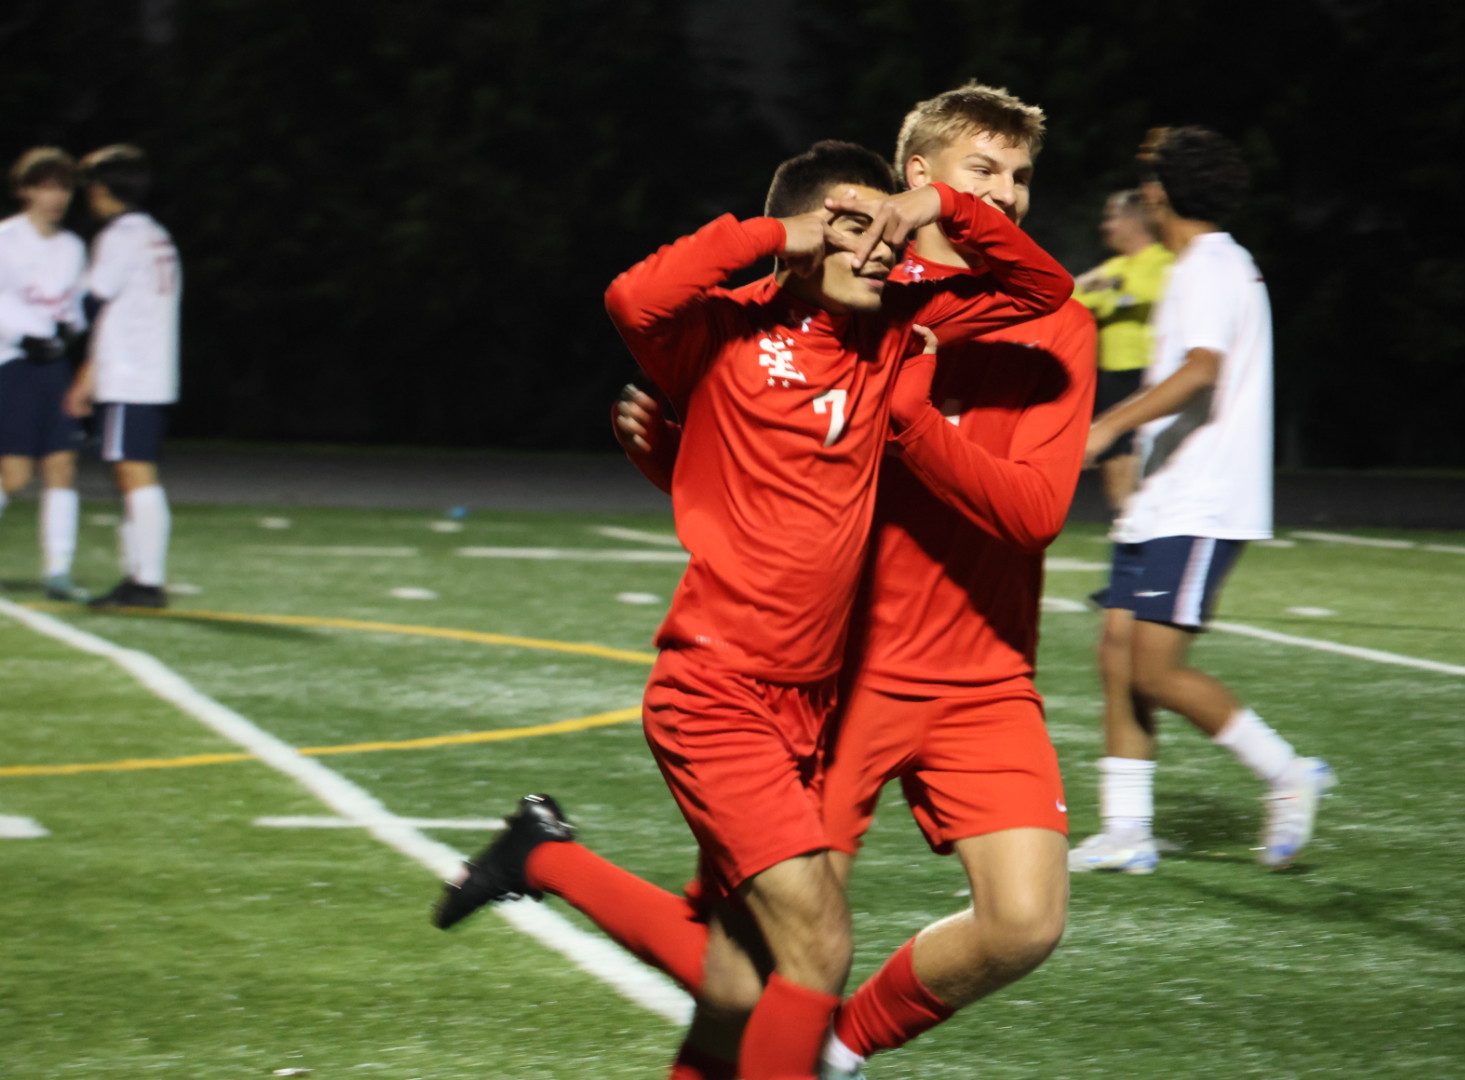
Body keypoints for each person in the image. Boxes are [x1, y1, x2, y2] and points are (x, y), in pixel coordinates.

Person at [433, 138, 1072, 1080]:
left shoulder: (896, 323)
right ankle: (541, 858)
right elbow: (632, 298)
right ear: (809, 233)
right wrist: (783, 231)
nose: (878, 252)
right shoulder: (725, 329)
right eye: (856, 228)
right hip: (717, 690)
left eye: (884, 235)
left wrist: (925, 212)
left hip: (809, 708)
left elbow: (1041, 289)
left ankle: (543, 856)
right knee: (818, 948)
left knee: (737, 983)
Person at [616, 83, 1097, 1079]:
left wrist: (914, 423)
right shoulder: (866, 296)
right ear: (915, 176)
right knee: (757, 970)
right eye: (983, 172)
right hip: (849, 677)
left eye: (1020, 179)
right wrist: (682, 456)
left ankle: (834, 1048)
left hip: (980, 675)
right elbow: (799, 475)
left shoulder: (1048, 324)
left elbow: (1034, 513)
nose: (1007, 194)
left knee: (1025, 923)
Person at [1069, 126, 1334, 876]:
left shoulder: (1210, 266)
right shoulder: (1200, 266)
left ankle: (1288, 773)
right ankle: (1127, 831)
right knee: (1117, 654)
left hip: (1200, 503)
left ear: (1160, 193)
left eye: (1146, 180)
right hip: (1165, 498)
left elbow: (1201, 370)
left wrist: (1109, 427)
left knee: (1153, 668)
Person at [64, 145, 182, 610]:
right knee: (131, 470)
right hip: (150, 370)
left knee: (134, 472)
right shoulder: (155, 234)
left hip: (131, 373)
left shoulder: (119, 236)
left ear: (100, 189)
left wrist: (51, 323)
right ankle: (140, 574)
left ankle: (146, 582)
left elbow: (92, 301)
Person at [0, 147, 88, 600]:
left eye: (64, 188)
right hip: (11, 365)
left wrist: (70, 330)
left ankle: (58, 571)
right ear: (25, 190)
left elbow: (73, 307)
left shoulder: (72, 247)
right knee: (13, 476)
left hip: (54, 367)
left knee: (61, 465)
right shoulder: (5, 238)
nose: (56, 197)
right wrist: (21, 335)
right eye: (47, 187)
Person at [1072, 189, 1172, 515]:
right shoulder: (1114, 267)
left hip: (1150, 379)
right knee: (1115, 468)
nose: (1105, 226)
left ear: (1133, 221)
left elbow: (1155, 292)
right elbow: (1070, 297)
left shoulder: (1165, 261)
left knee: (1146, 469)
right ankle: (1129, 532)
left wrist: (1115, 287)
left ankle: (1144, 535)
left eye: (1111, 217)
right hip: (1113, 382)